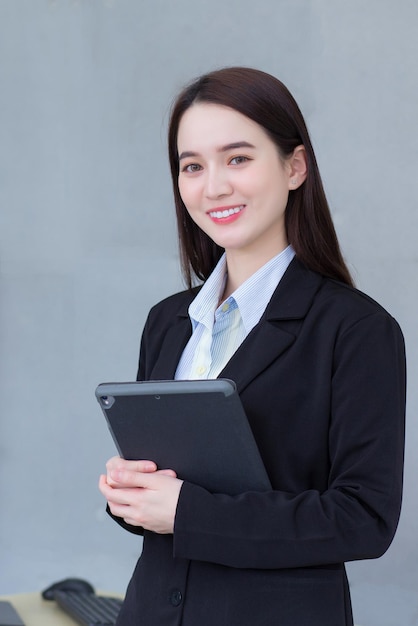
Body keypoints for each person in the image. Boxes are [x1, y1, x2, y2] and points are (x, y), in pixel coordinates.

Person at [98, 67, 406, 626]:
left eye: (238, 158)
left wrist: (186, 511)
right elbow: (165, 505)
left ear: (295, 167)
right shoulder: (168, 322)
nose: (213, 186)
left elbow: (364, 518)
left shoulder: (356, 330)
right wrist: (131, 494)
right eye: (192, 166)